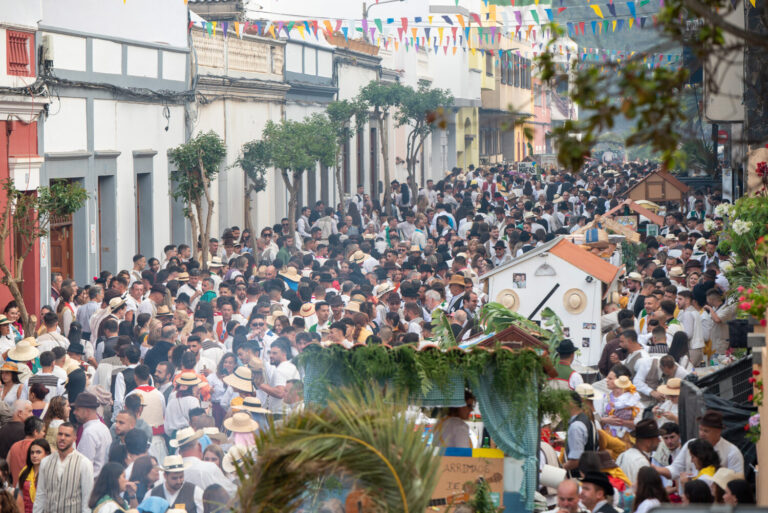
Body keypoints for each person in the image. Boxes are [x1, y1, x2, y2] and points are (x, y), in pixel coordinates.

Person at [32, 423, 94, 513]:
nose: (62, 438)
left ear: (74, 438)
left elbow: (87, 500)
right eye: (60, 434)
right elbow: (40, 495)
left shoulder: (84, 463)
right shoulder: (45, 462)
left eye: (67, 435)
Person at [170, 428, 237, 497]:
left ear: (179, 451)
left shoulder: (170, 473)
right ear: (200, 447)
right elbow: (231, 491)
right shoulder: (209, 468)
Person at [71, 392, 112, 477]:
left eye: (77, 409)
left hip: (91, 481)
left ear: (87, 411)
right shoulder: (103, 427)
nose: (74, 412)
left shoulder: (89, 432)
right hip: (101, 478)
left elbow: (83, 466)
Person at [616, 419, 661, 484]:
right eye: (657, 438)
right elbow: (645, 489)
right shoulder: (642, 462)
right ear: (648, 442)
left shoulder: (623, 455)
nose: (659, 441)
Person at [15, 439, 51, 513]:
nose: (34, 455)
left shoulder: (50, 472)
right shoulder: (24, 471)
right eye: (32, 452)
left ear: (47, 454)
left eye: (38, 452)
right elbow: (19, 495)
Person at [7, 417, 45, 486]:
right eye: (43, 431)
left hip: (16, 488)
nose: (44, 434)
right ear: (36, 432)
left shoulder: (14, 446)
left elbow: (7, 469)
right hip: (32, 490)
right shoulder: (39, 448)